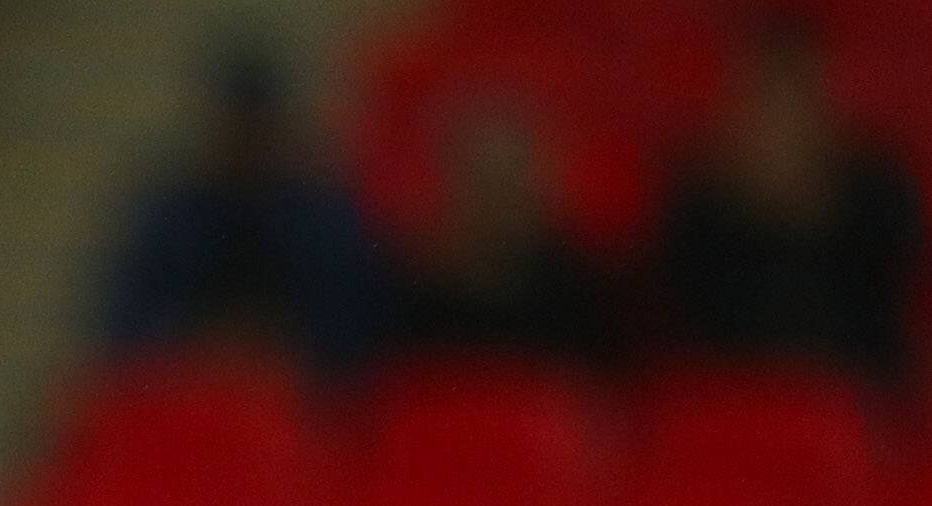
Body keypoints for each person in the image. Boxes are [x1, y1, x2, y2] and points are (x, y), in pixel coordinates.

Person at [93, 41, 385, 377]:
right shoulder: (174, 216)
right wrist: (203, 342)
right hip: (190, 384)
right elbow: (124, 322)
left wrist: (277, 345)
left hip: (298, 391)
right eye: (235, 128)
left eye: (257, 129)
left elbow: (357, 326)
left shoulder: (320, 215)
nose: (246, 145)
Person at [654, 17, 920, 385]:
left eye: (797, 96)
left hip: (854, 389)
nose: (785, 117)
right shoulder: (698, 199)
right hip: (730, 393)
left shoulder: (878, 191)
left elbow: (894, 296)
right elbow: (678, 321)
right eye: (770, 98)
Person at [388, 96, 619, 367]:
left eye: (509, 183)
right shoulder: (409, 298)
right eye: (483, 184)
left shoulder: (575, 294)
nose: (497, 202)